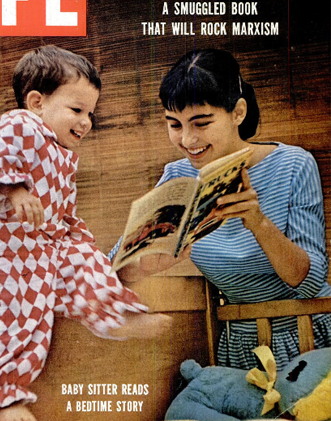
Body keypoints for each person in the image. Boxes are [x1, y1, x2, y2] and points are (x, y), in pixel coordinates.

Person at [0, 45, 171, 421]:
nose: (86, 121)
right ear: (37, 102)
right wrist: (14, 191)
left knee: (85, 260)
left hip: (42, 245)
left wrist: (78, 240)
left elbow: (61, 210)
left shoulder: (61, 155)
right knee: (18, 315)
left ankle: (115, 313)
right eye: (77, 110)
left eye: (91, 113)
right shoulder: (20, 125)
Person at [113, 48, 331, 371]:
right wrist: (146, 264)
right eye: (174, 124)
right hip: (238, 348)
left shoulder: (294, 165)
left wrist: (258, 222)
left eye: (201, 123)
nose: (187, 139)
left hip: (309, 339)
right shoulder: (177, 177)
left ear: (237, 112)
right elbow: (110, 269)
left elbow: (310, 281)